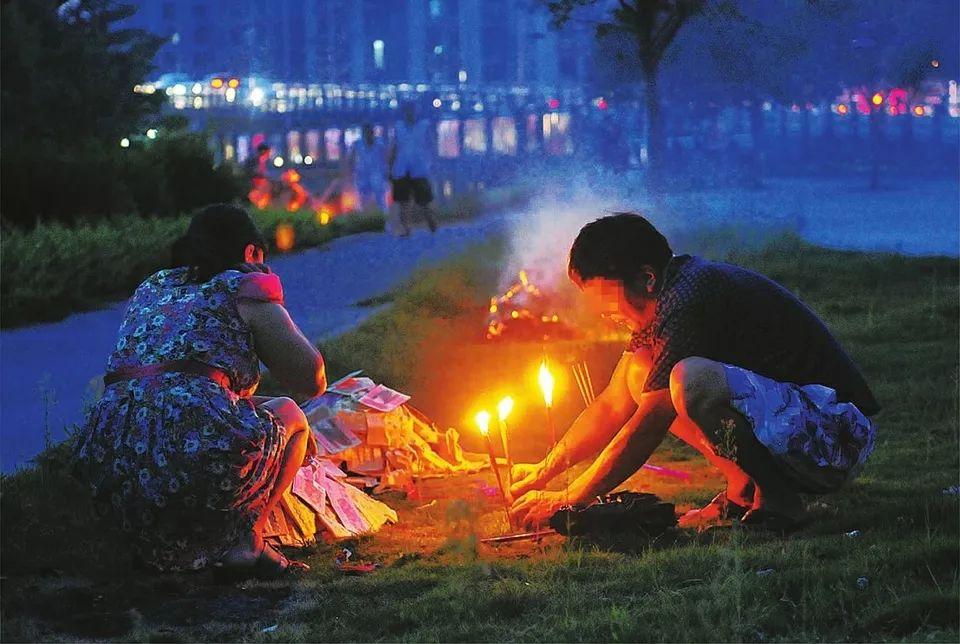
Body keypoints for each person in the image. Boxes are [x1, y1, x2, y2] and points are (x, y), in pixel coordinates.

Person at [509, 213, 879, 532]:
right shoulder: (670, 292)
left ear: (647, 278)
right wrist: (545, 470)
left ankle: (781, 501)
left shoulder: (688, 298)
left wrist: (572, 497)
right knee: (640, 373)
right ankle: (744, 490)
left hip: (833, 435)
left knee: (688, 380)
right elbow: (612, 403)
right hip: (799, 428)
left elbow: (652, 419)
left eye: (607, 300)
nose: (604, 313)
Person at [74, 204, 326, 576]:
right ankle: (248, 545)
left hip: (116, 465)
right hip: (193, 459)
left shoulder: (154, 287)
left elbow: (171, 387)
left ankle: (165, 548)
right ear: (250, 252)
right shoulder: (243, 287)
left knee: (214, 415)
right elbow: (312, 380)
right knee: (290, 413)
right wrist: (271, 305)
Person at [388, 102, 438, 236]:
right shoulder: (399, 128)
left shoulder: (424, 126)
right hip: (401, 167)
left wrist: (432, 163)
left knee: (425, 200)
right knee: (403, 201)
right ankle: (406, 228)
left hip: (419, 168)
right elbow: (394, 147)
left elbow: (432, 145)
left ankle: (431, 222)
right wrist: (390, 165)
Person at [349, 123, 388, 212]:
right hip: (362, 174)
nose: (367, 134)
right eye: (365, 132)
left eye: (369, 132)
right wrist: (351, 172)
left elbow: (386, 157)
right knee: (362, 199)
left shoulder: (380, 144)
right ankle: (363, 219)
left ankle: (384, 220)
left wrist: (386, 171)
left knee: (380, 199)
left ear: (372, 133)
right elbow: (351, 158)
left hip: (377, 174)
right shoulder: (357, 144)